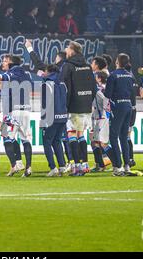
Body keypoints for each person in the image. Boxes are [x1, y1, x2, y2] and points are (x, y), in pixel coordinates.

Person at [0, 55, 33, 177]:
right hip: (25, 110)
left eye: (4, 61)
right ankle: (28, 167)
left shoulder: (11, 73)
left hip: (13, 111)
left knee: (6, 137)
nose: (2, 63)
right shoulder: (27, 74)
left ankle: (14, 166)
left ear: (10, 62)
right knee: (25, 139)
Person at [61, 42, 97, 176]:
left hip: (73, 106)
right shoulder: (87, 66)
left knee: (71, 134)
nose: (66, 50)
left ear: (72, 51)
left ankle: (77, 167)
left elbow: (64, 87)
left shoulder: (68, 66)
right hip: (86, 105)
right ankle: (85, 164)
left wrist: (65, 105)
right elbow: (94, 87)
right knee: (81, 134)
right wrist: (88, 101)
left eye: (67, 48)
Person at [104, 53, 135, 177]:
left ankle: (118, 166)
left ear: (117, 62)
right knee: (124, 137)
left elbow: (107, 94)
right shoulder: (130, 75)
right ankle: (127, 165)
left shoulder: (113, 75)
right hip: (128, 106)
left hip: (118, 107)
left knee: (113, 137)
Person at [41, 64, 68, 177]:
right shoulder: (63, 84)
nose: (44, 73)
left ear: (49, 72)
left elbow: (45, 103)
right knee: (57, 141)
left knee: (47, 141)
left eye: (45, 71)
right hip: (63, 116)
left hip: (52, 117)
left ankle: (52, 167)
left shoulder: (47, 84)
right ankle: (62, 166)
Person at [90, 71, 112, 172]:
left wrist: (105, 111)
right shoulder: (104, 88)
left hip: (101, 119)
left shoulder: (99, 89)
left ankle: (117, 163)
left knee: (103, 143)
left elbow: (105, 101)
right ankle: (100, 165)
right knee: (94, 142)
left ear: (99, 78)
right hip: (97, 118)